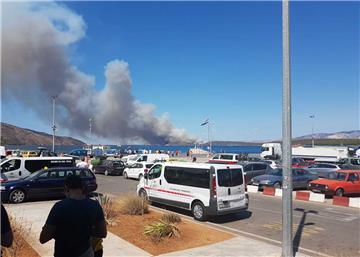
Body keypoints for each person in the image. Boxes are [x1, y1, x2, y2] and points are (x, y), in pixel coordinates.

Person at [39, 175, 107, 257]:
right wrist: (84, 231)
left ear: (66, 188)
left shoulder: (59, 207)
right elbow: (103, 233)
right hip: (85, 252)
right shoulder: (94, 206)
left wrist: (59, 233)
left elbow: (43, 238)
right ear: (82, 187)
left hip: (63, 253)